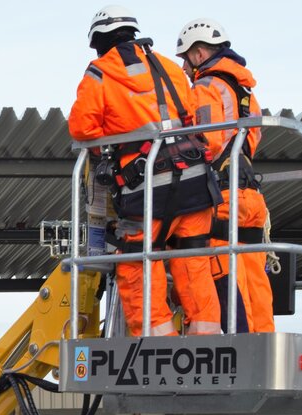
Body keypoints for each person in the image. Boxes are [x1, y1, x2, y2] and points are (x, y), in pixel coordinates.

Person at [70, 5, 221, 337]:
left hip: (146, 187)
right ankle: (208, 340)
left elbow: (82, 128)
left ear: (98, 41)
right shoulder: (170, 67)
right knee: (193, 260)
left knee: (136, 263)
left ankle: (157, 345)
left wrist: (108, 148)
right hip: (196, 181)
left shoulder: (100, 72)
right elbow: (196, 119)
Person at [176, 18, 274, 333]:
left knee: (227, 283)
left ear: (200, 53)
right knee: (254, 288)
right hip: (249, 197)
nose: (185, 67)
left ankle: (245, 360)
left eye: (186, 58)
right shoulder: (244, 90)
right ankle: (264, 358)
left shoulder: (206, 86)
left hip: (224, 197)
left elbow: (209, 141)